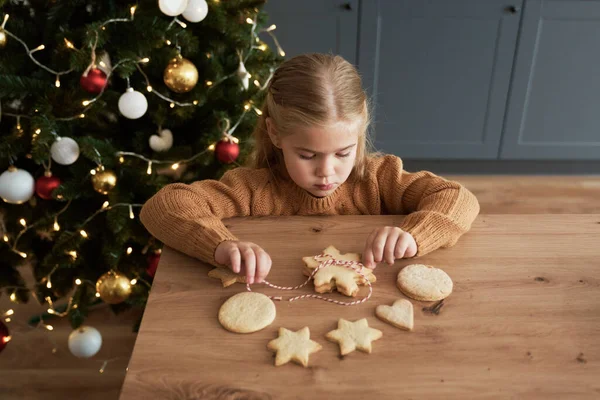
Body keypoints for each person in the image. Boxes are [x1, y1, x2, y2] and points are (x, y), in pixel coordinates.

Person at [140, 53, 480, 284]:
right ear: (275, 133)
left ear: (360, 130)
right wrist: (220, 245)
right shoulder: (254, 188)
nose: (327, 172)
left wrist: (412, 235)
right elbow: (163, 206)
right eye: (307, 156)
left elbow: (458, 198)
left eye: (343, 153)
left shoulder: (379, 178)